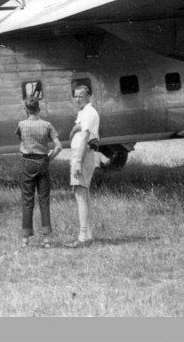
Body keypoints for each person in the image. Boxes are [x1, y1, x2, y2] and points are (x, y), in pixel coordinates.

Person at [15, 96, 62, 248]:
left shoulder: (21, 124)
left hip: (27, 162)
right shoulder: (47, 124)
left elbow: (20, 140)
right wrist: (49, 158)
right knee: (44, 200)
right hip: (43, 162)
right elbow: (59, 146)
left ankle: (25, 239)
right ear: (39, 109)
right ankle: (47, 238)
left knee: (27, 201)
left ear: (25, 110)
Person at [65, 85, 100, 248]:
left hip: (83, 154)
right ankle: (88, 235)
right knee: (83, 194)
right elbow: (80, 129)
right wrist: (75, 128)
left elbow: (85, 136)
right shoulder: (84, 112)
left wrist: (78, 160)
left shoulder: (89, 112)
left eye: (80, 96)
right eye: (75, 96)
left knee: (80, 194)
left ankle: (83, 237)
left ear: (88, 96)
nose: (77, 99)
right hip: (82, 154)